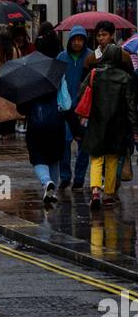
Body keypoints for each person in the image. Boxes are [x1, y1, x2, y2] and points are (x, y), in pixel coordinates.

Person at [79, 43, 138, 209]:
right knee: (112, 159)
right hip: (117, 124)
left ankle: (96, 190)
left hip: (97, 122)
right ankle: (109, 195)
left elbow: (81, 93)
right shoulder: (125, 78)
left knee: (97, 158)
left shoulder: (94, 74)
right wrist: (135, 128)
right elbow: (131, 105)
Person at [57, 25, 92, 191]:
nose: (77, 43)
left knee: (84, 145)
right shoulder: (62, 57)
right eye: (75, 39)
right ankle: (65, 177)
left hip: (84, 109)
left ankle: (79, 178)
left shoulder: (91, 57)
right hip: (65, 108)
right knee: (64, 142)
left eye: (81, 39)